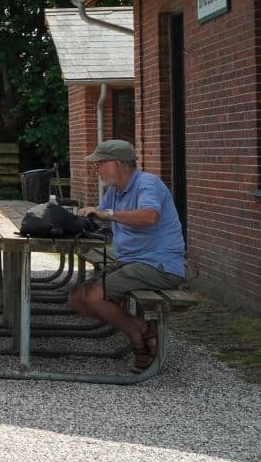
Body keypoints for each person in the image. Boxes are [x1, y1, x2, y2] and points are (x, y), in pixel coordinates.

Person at [71, 139, 186, 373]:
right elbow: (103, 220)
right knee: (76, 297)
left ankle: (137, 337)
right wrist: (80, 221)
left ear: (116, 164)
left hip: (159, 264)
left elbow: (148, 216)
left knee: (93, 297)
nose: (95, 169)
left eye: (99, 164)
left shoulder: (147, 184)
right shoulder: (115, 190)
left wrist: (107, 214)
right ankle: (141, 329)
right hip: (131, 262)